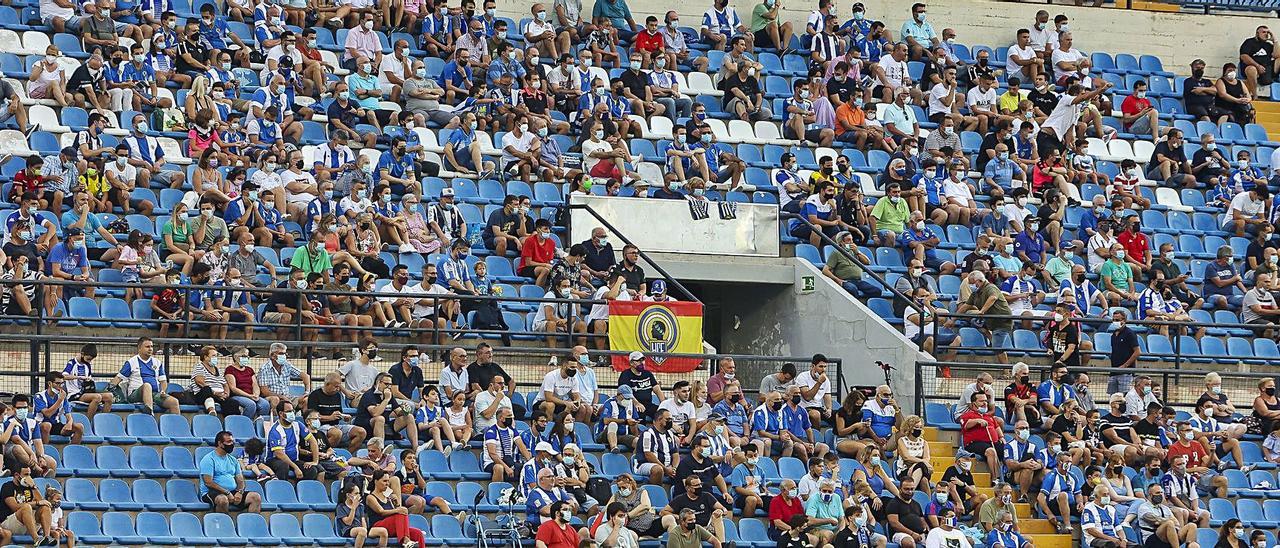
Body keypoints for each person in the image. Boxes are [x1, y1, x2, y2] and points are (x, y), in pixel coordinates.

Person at [108, 337, 181, 415]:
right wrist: (108, 389)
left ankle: (177, 425)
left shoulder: (157, 362)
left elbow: (163, 381)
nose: (150, 349)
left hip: (154, 394)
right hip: (134, 394)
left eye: (152, 346)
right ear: (139, 348)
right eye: (147, 347)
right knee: (147, 385)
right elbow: (118, 378)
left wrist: (162, 391)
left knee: (174, 402)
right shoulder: (131, 362)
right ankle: (150, 414)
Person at [199, 430, 263, 513]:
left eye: (232, 441)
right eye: (229, 442)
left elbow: (240, 479)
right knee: (223, 500)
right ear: (220, 443)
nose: (232, 444)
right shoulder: (208, 459)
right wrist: (227, 493)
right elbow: (208, 482)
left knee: (256, 497)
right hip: (212, 492)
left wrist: (240, 492)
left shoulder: (233, 460)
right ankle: (223, 524)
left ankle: (252, 524)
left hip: (231, 492)